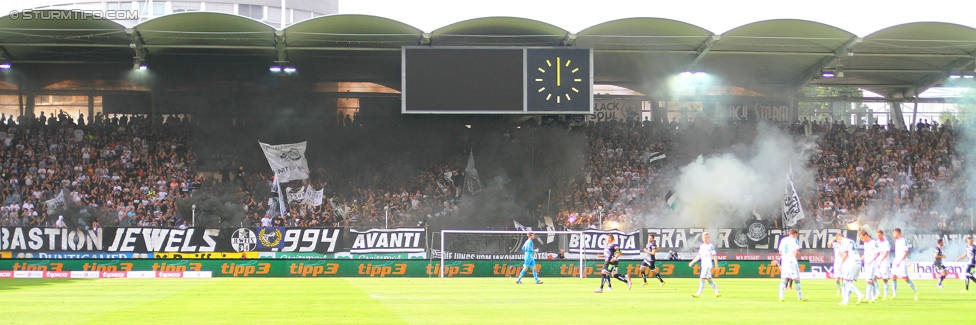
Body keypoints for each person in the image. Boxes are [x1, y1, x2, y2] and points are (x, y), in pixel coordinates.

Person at [833, 233, 864, 306]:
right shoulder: (851, 241)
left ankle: (860, 294)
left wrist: (841, 264)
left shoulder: (843, 241)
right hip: (858, 262)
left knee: (846, 281)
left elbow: (846, 253)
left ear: (839, 238)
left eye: (838, 240)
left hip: (852, 262)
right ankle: (845, 300)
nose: (838, 242)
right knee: (848, 282)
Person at [777, 229, 807, 302]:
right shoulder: (794, 240)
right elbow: (796, 252)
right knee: (797, 279)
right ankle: (800, 297)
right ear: (795, 234)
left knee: (784, 279)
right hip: (791, 261)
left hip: (784, 261)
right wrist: (796, 256)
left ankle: (781, 297)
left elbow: (780, 252)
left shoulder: (783, 240)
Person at [689, 231, 720, 298]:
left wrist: (716, 265)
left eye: (706, 237)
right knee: (709, 280)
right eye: (704, 237)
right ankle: (717, 292)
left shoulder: (711, 246)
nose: (705, 238)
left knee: (702, 278)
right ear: (702, 238)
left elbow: (714, 256)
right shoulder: (702, 246)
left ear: (708, 237)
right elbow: (699, 255)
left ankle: (698, 294)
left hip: (708, 265)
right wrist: (692, 262)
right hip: (704, 265)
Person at [889, 228, 918, 300]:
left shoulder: (903, 241)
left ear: (896, 233)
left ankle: (916, 292)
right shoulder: (897, 241)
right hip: (896, 261)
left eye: (893, 233)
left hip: (902, 262)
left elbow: (906, 252)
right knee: (893, 276)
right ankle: (894, 295)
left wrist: (900, 261)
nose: (893, 235)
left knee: (905, 278)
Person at [860, 230, 879, 302]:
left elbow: (877, 253)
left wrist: (871, 260)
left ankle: (867, 298)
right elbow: (865, 254)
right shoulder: (865, 244)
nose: (862, 240)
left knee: (869, 280)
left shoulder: (873, 243)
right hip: (867, 264)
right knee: (870, 281)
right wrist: (859, 260)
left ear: (866, 235)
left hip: (872, 264)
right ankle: (874, 298)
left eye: (862, 238)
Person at [874, 230, 892, 300]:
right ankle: (878, 293)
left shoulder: (886, 243)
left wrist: (881, 261)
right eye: (877, 235)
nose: (878, 236)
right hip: (877, 263)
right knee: (874, 278)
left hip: (884, 263)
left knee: (885, 279)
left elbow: (886, 253)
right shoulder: (876, 243)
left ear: (882, 235)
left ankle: (885, 295)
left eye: (879, 235)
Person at [828, 231, 846, 297]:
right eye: (838, 238)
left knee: (844, 278)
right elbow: (829, 244)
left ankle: (844, 291)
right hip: (837, 263)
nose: (839, 239)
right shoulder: (835, 244)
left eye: (840, 238)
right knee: (837, 279)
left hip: (845, 263)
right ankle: (839, 289)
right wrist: (834, 238)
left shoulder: (846, 244)